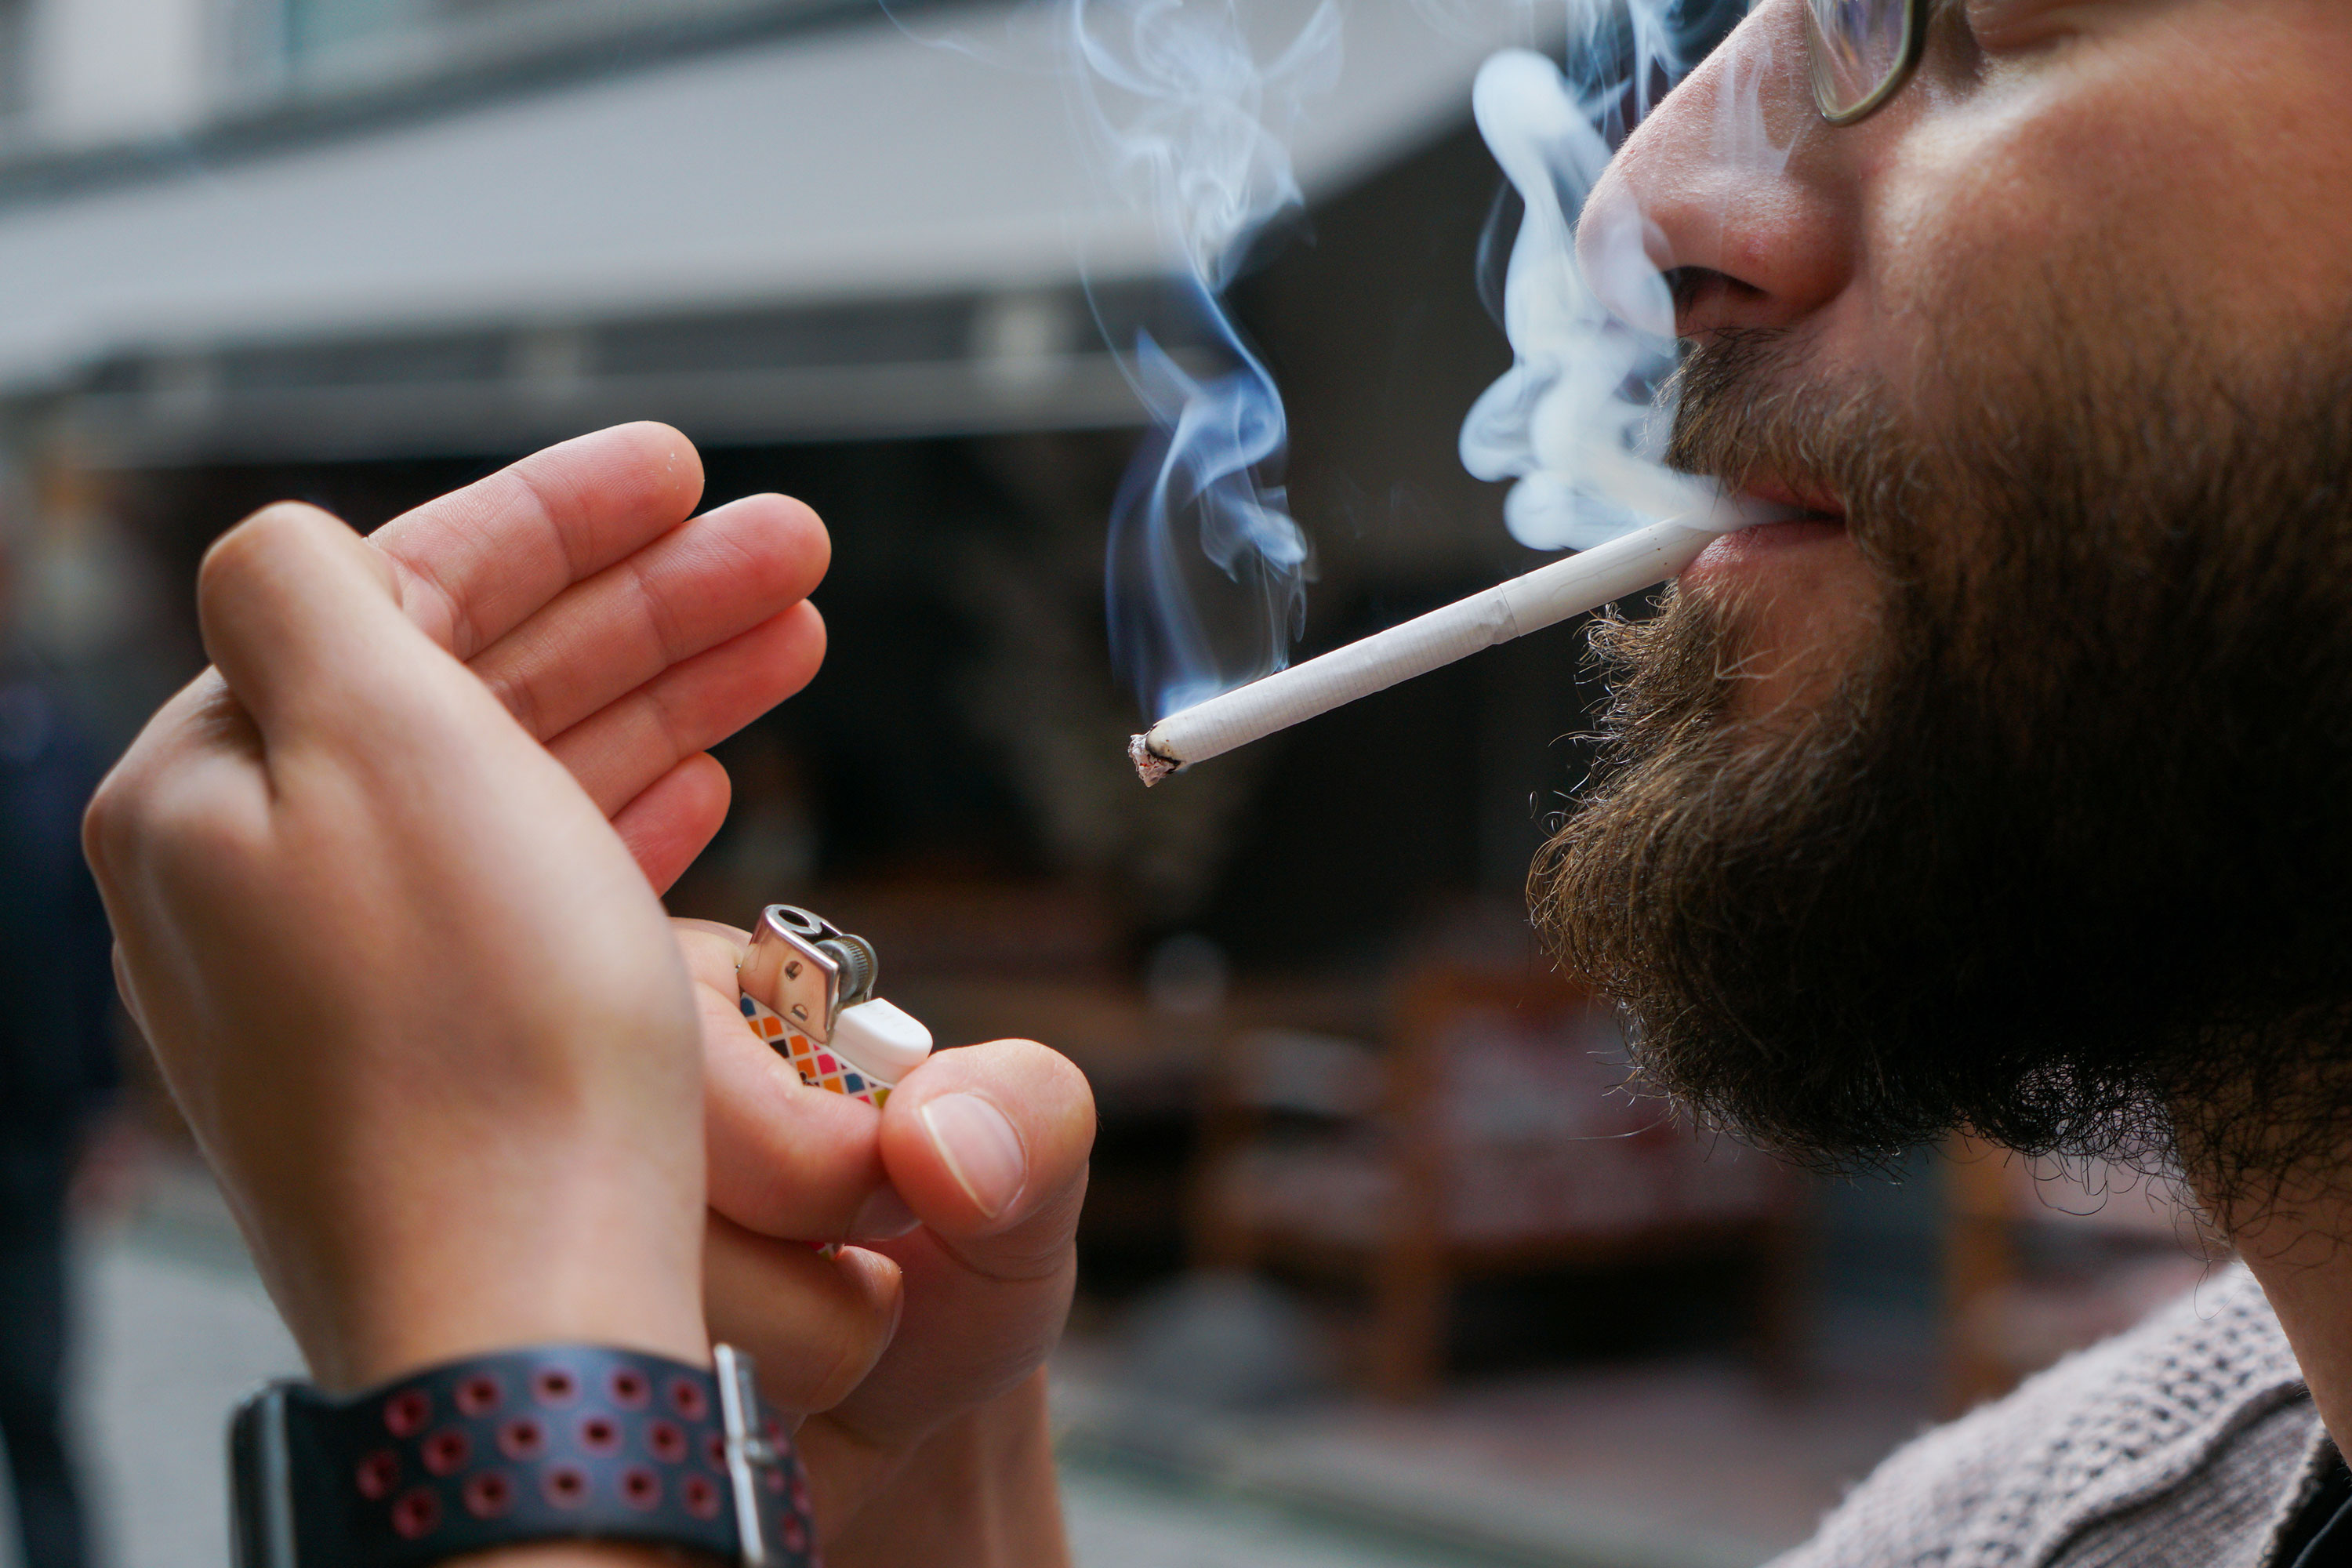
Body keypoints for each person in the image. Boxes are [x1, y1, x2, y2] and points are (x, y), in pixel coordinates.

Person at [79, 0, 2352, 1564]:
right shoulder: (2046, 1527)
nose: (1641, 215)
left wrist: (521, 1405)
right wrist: (921, 1505)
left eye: (1934, 11)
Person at [0, 579, 115, 1568]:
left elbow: (89, 940)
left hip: (29, 1142)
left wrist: (105, 1103)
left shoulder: (50, 742)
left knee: (35, 1395)